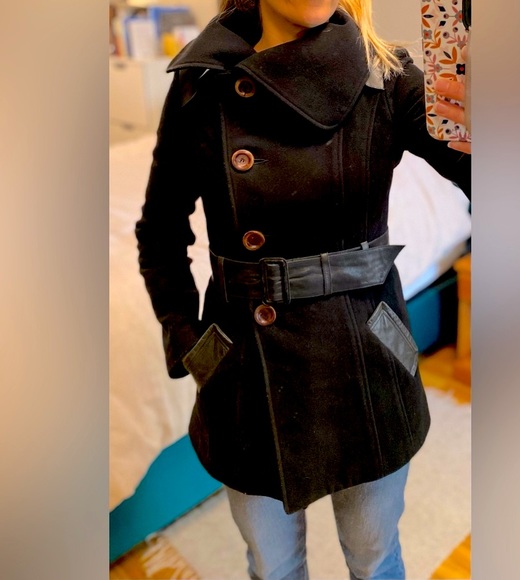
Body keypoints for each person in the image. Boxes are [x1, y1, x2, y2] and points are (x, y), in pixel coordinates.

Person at [135, 1, 471, 578]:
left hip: (366, 365)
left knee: (374, 557)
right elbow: (160, 232)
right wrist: (190, 341)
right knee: (274, 566)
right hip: (245, 374)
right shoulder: (202, 82)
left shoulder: (387, 76)